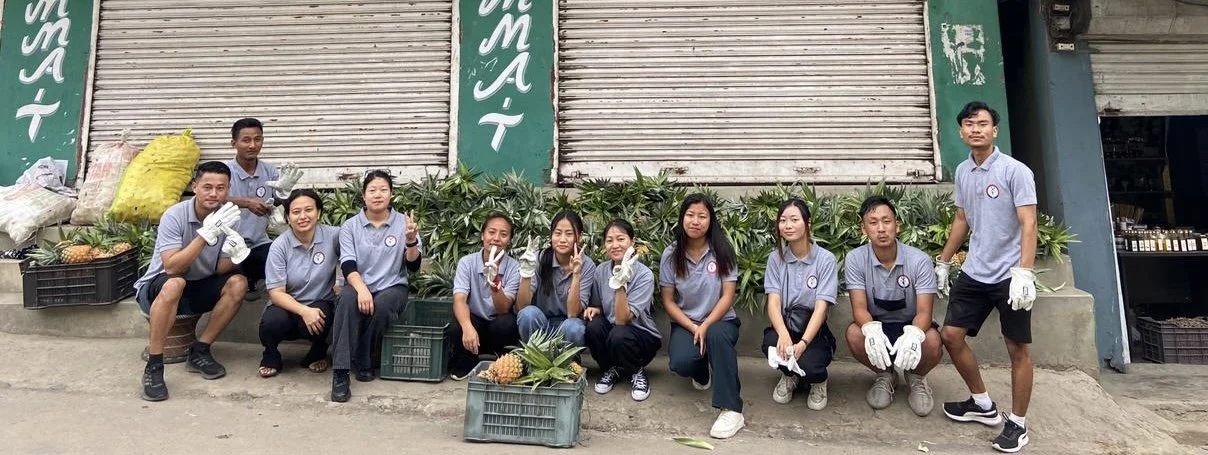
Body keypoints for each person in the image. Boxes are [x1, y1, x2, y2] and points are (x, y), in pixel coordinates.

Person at [935, 101, 1039, 453]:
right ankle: (982, 404)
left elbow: (1029, 222)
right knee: (950, 335)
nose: (975, 129)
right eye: (968, 124)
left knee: (1017, 348)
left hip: (1011, 274)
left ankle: (1018, 424)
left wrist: (1024, 272)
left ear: (995, 130)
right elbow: (962, 219)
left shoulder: (1015, 171)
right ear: (961, 131)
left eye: (982, 123)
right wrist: (944, 261)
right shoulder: (963, 171)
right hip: (975, 271)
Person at [136, 161, 252, 402]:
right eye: (207, 187)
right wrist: (204, 235)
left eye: (221, 188)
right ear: (195, 186)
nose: (214, 193)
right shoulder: (174, 215)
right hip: (159, 288)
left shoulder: (228, 216)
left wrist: (236, 254)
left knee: (238, 282)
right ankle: (155, 366)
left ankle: (199, 351)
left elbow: (219, 268)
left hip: (199, 286)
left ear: (228, 189)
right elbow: (172, 266)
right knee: (175, 283)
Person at [844, 196, 943, 416]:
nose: (881, 228)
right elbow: (859, 308)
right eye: (873, 222)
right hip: (878, 325)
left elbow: (925, 311)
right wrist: (870, 330)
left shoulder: (919, 260)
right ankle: (885, 375)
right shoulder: (855, 259)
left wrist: (916, 334)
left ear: (897, 225)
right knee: (854, 333)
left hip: (911, 323)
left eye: (886, 221)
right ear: (864, 228)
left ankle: (917, 378)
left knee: (934, 341)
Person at [330, 170, 421, 402]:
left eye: (383, 190)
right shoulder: (350, 226)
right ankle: (340, 372)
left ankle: (363, 357)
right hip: (358, 283)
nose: (378, 195)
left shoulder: (404, 223)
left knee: (382, 305)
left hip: (393, 286)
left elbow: (413, 266)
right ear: (364, 195)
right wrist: (361, 289)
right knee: (346, 302)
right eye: (372, 190)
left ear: (391, 194)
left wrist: (411, 240)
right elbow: (348, 264)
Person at [660, 193, 745, 439]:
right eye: (690, 215)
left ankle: (732, 409)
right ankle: (701, 371)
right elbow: (668, 300)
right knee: (680, 363)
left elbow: (728, 296)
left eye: (702, 216)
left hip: (720, 320)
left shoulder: (722, 251)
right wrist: (693, 326)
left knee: (717, 335)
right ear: (682, 218)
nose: (695, 221)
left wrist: (706, 324)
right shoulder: (671, 254)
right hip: (687, 322)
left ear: (711, 220)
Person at [761, 198, 838, 409]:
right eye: (783, 220)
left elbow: (822, 308)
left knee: (811, 366)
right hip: (787, 324)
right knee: (771, 344)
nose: (788, 225)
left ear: (808, 224)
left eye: (794, 219)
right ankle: (790, 375)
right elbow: (774, 303)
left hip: (813, 329)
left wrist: (803, 343)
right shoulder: (775, 259)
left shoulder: (825, 259)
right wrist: (784, 336)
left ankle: (818, 381)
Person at [258, 189, 340, 378]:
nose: (303, 216)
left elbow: (359, 242)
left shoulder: (334, 236)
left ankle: (318, 351)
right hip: (288, 304)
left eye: (309, 210)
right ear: (288, 217)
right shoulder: (279, 246)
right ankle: (271, 354)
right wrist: (304, 310)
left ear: (318, 212)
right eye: (296, 212)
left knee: (323, 315)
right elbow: (276, 293)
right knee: (272, 322)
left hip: (320, 302)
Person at [223, 118, 304, 300]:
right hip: (226, 246)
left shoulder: (270, 171)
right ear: (233, 143)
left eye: (257, 139)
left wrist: (284, 195)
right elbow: (212, 199)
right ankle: (246, 281)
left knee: (288, 262)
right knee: (227, 274)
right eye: (246, 140)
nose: (252, 145)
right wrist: (247, 202)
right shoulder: (224, 171)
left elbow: (279, 201)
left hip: (258, 242)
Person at [584, 219, 661, 401]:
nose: (615, 245)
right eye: (609, 240)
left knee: (619, 334)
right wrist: (595, 309)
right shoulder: (601, 271)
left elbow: (622, 320)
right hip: (614, 332)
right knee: (593, 326)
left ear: (632, 242)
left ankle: (637, 371)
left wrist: (620, 283)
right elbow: (598, 304)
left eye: (621, 239)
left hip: (640, 336)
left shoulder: (644, 275)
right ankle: (612, 368)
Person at [447, 213, 522, 380]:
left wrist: (495, 281)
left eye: (503, 235)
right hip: (475, 327)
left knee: (507, 322)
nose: (496, 238)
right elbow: (459, 299)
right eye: (491, 232)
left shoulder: (514, 267)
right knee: (457, 325)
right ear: (482, 236)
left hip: (498, 326)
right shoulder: (467, 262)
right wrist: (467, 327)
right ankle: (468, 360)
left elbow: (504, 308)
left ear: (509, 240)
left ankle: (502, 364)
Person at [516, 210, 595, 346]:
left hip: (568, 324)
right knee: (528, 314)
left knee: (573, 327)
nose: (562, 239)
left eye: (569, 234)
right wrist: (526, 274)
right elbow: (521, 307)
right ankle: (533, 361)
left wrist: (576, 274)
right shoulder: (539, 258)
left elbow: (572, 313)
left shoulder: (587, 265)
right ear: (551, 235)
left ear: (579, 236)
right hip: (541, 322)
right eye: (557, 233)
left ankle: (569, 364)